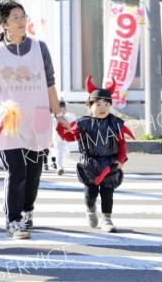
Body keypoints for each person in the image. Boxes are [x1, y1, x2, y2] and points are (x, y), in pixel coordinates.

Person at [0, 0, 69, 240]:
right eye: (16, 17)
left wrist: (59, 114)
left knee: (35, 170)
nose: (22, 21)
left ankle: (27, 210)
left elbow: (49, 83)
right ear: (4, 24)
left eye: (23, 16)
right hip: (8, 119)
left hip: (41, 115)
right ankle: (13, 220)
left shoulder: (40, 48)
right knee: (17, 169)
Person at [56, 76, 132, 233]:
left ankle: (107, 218)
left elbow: (122, 144)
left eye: (106, 104)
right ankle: (90, 210)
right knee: (90, 194)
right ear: (89, 106)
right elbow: (69, 136)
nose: (102, 107)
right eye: (98, 104)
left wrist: (120, 160)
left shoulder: (116, 123)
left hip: (109, 163)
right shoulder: (82, 123)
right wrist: (61, 126)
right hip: (89, 164)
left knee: (107, 193)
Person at [51, 100, 77, 175]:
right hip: (57, 139)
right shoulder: (53, 118)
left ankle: (62, 165)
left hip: (67, 138)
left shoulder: (70, 117)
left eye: (63, 109)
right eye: (59, 109)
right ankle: (60, 168)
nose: (62, 111)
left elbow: (74, 126)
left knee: (65, 153)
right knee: (59, 153)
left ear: (65, 109)